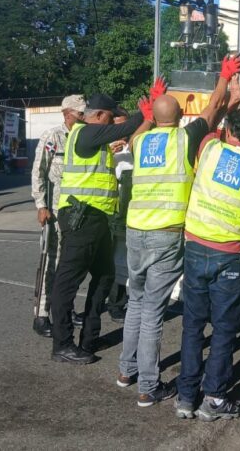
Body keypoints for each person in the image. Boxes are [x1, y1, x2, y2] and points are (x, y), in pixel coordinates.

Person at [118, 54, 240, 407]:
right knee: (153, 312)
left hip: (135, 231)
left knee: (137, 303)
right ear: (179, 118)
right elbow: (214, 106)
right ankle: (148, 386)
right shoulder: (184, 139)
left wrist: (146, 114)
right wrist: (223, 77)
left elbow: (134, 136)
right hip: (165, 233)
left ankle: (126, 370)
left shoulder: (141, 142)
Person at [49, 87, 161, 365]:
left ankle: (88, 338)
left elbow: (127, 134)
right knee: (67, 283)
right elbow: (126, 129)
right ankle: (62, 344)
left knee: (105, 277)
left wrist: (146, 117)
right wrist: (144, 113)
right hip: (82, 219)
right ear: (98, 115)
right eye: (110, 118)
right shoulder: (85, 132)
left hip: (96, 220)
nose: (112, 123)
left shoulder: (94, 139)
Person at [175, 107, 240, 422]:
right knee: (225, 330)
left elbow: (207, 124)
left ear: (229, 131)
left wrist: (230, 100)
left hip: (196, 247)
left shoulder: (211, 148)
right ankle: (213, 399)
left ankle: (185, 397)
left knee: (192, 326)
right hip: (229, 254)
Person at [30, 94, 85, 338]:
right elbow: (38, 172)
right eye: (80, 114)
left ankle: (65, 309)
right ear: (67, 114)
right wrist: (41, 205)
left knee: (70, 265)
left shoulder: (82, 137)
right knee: (51, 262)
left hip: (74, 214)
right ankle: (41, 315)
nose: (83, 118)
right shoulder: (53, 137)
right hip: (53, 212)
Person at [107, 110, 135, 323]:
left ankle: (118, 302)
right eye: (117, 128)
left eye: (125, 127)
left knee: (124, 259)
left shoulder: (135, 148)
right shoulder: (105, 151)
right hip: (110, 213)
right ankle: (104, 301)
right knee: (106, 261)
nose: (122, 133)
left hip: (131, 214)